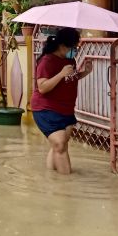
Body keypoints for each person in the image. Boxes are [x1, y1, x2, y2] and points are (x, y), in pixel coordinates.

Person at [31, 27, 93, 175]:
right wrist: (60, 74)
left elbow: (70, 79)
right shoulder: (46, 61)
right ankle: (66, 187)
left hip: (66, 109)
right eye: (74, 47)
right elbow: (43, 88)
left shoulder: (70, 60)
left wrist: (85, 72)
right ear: (63, 45)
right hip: (46, 109)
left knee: (59, 146)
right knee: (60, 145)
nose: (76, 50)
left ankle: (52, 180)